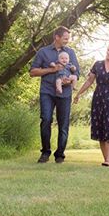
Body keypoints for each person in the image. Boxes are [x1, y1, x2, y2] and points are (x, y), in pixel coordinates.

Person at [30, 26, 80, 164]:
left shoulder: (70, 52)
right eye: (65, 38)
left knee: (63, 124)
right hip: (47, 92)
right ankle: (45, 152)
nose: (67, 41)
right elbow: (33, 72)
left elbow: (77, 72)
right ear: (56, 37)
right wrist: (51, 70)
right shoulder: (43, 52)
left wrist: (69, 79)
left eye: (68, 38)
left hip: (65, 93)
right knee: (46, 120)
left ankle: (60, 155)